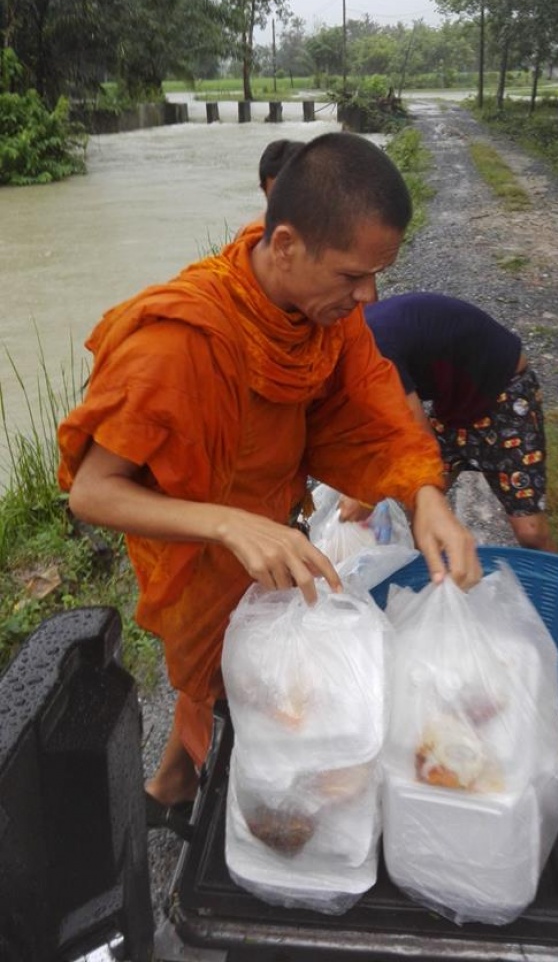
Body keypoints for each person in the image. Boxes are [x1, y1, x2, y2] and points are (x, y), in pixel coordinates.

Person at [57, 133, 480, 836]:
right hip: (203, 549)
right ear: (285, 246)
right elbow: (92, 492)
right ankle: (228, 804)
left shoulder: (322, 320)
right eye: (352, 276)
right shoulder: (180, 340)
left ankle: (175, 786)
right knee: (225, 685)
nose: (368, 296)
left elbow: (372, 405)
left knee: (262, 682)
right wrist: (227, 523)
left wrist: (425, 496)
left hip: (271, 529)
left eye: (378, 275)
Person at [341, 292, 557, 552]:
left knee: (531, 532)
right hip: (454, 406)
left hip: (504, 394)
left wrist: (367, 496)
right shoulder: (348, 353)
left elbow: (418, 439)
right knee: (421, 506)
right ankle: (439, 584)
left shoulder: (371, 351)